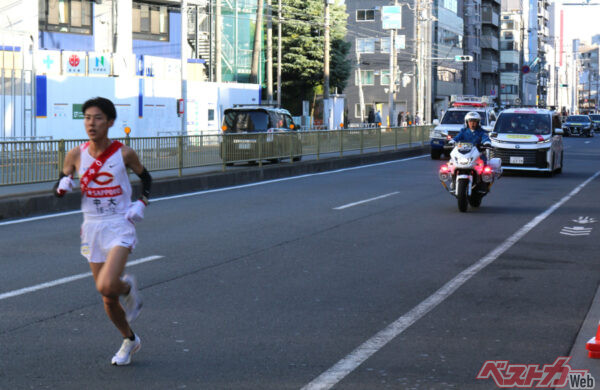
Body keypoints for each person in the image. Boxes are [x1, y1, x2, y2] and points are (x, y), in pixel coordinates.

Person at [54, 97, 152, 366]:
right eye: (87, 118)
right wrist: (62, 184)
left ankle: (128, 287)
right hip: (92, 227)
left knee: (108, 284)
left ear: (110, 122)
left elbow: (146, 178)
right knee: (108, 299)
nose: (91, 123)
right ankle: (130, 340)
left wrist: (141, 202)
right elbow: (61, 182)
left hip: (119, 223)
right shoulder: (75, 154)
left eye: (97, 118)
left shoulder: (124, 154)